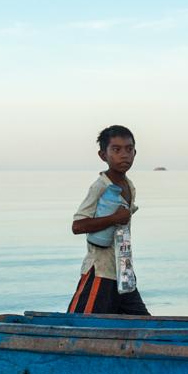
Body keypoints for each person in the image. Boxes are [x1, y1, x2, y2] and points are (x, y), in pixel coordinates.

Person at [67, 125, 150, 315]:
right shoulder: (101, 186)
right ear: (103, 155)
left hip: (124, 272)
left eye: (129, 149)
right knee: (81, 326)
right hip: (100, 272)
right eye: (116, 149)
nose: (124, 155)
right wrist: (113, 218)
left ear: (135, 153)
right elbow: (77, 225)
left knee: (143, 325)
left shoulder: (129, 186)